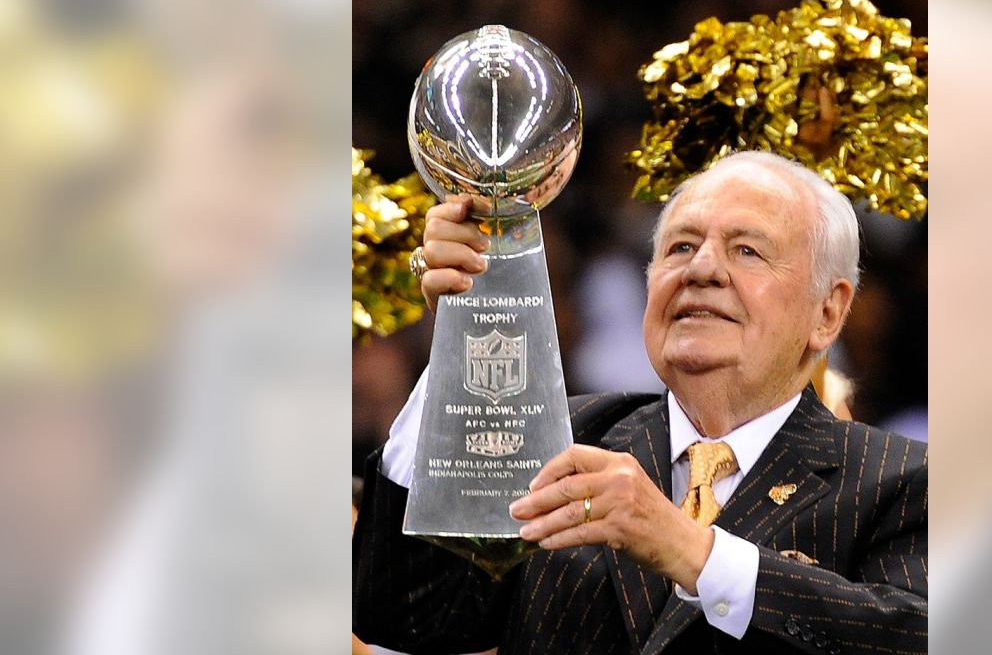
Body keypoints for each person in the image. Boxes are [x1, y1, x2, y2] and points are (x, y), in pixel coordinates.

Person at [353, 151, 927, 654]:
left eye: (747, 251)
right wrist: (464, 335)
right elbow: (404, 614)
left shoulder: (903, 482)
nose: (702, 268)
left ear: (828, 311)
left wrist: (695, 553)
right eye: (680, 246)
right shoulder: (558, 437)